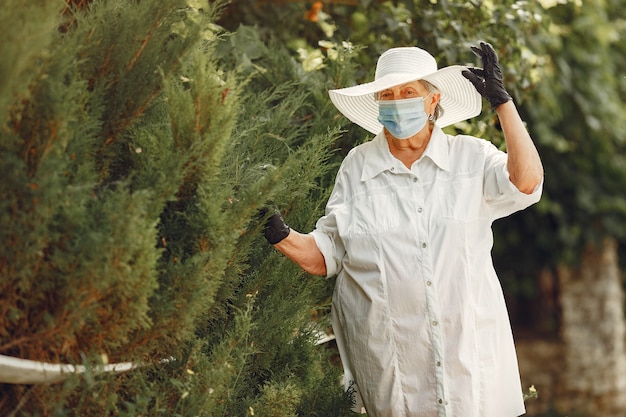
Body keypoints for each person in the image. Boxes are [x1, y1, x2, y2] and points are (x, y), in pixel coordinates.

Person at [263, 42, 543, 417]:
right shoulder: (357, 167)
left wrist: (503, 104)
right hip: (395, 374)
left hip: (472, 368)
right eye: (388, 95)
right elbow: (325, 255)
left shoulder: (470, 157)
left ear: (432, 101)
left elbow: (525, 183)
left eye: (408, 92)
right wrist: (278, 233)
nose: (397, 102)